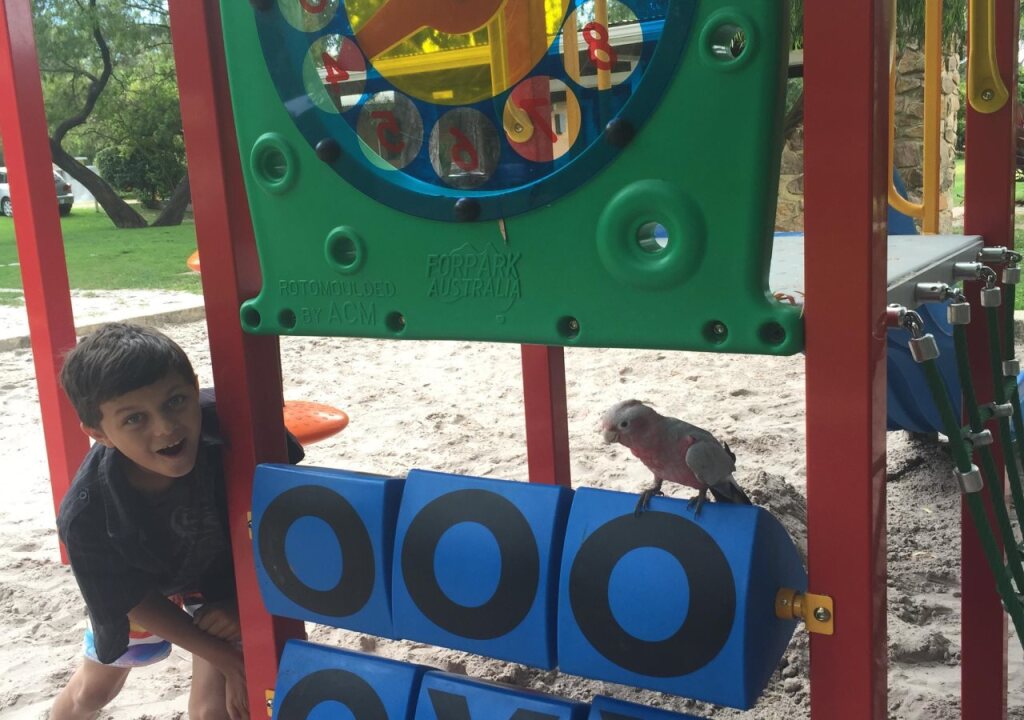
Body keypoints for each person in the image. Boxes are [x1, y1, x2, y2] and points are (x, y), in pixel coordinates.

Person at [50, 323, 302, 720]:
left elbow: (288, 509)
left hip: (220, 574)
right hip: (141, 585)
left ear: (194, 388)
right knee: (94, 690)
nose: (166, 427)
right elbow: (129, 598)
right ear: (99, 434)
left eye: (175, 401)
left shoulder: (236, 425)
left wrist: (242, 603)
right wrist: (222, 656)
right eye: (134, 419)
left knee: (216, 711)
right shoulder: (86, 515)